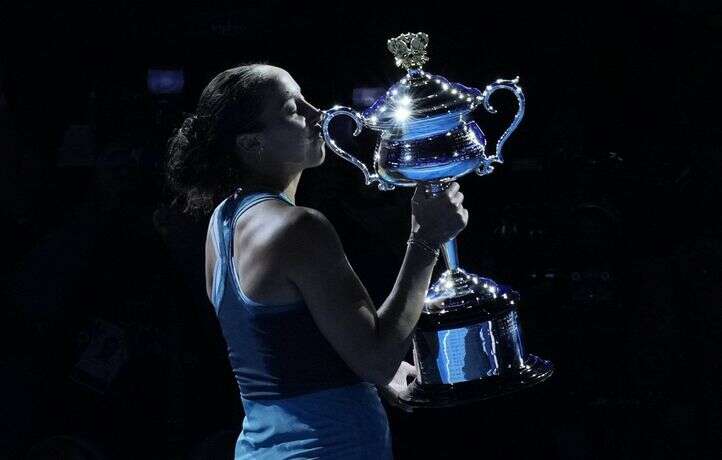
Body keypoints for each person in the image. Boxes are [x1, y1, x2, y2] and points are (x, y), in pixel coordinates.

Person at [166, 63, 468, 459]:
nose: (317, 113)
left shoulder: (223, 220)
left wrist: (384, 371)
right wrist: (425, 240)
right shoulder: (299, 228)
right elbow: (376, 360)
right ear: (252, 143)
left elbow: (283, 348)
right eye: (294, 108)